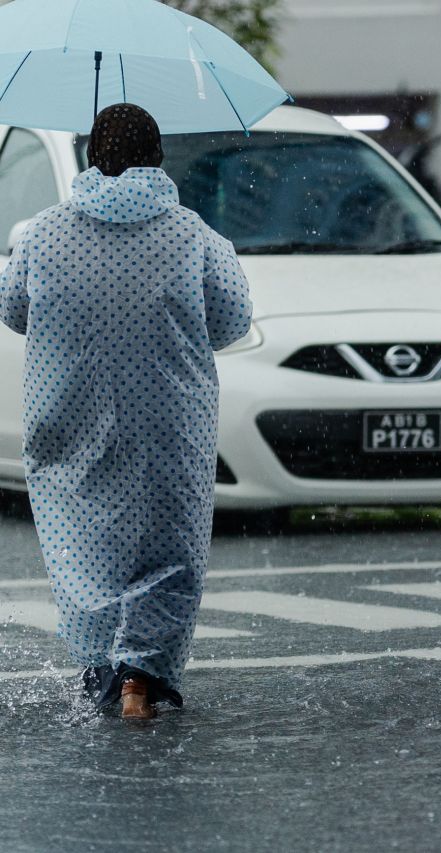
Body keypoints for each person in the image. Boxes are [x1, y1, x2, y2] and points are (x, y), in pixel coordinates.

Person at [0, 104, 252, 720]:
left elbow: (13, 310)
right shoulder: (192, 233)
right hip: (169, 416)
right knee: (168, 545)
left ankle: (100, 662)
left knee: (84, 537)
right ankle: (139, 675)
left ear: (92, 158)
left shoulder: (43, 232)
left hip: (69, 412)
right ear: (158, 157)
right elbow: (232, 319)